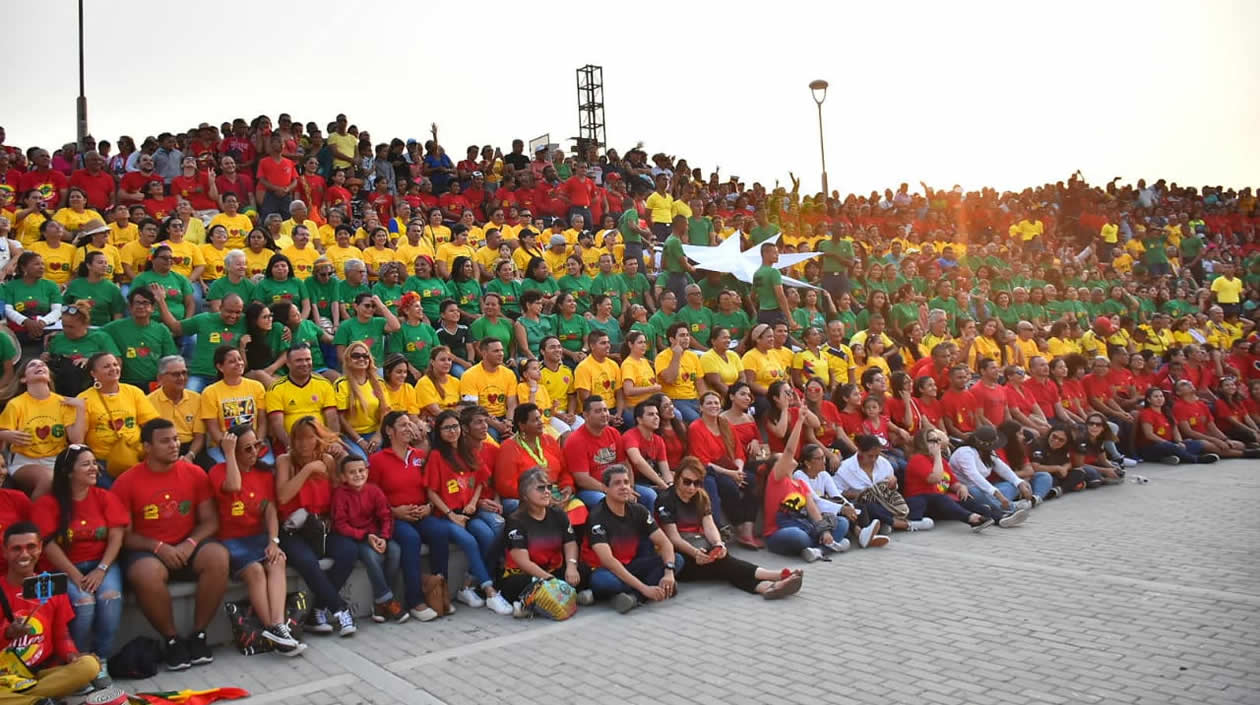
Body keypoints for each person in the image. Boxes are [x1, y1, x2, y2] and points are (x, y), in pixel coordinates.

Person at [112, 418, 229, 671]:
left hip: (188, 546)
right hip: (148, 551)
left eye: (175, 439)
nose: (174, 445)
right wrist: (158, 547)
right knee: (146, 574)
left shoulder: (195, 472)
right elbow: (124, 535)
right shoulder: (127, 481)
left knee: (218, 557)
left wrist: (190, 542)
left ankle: (199, 635)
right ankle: (172, 640)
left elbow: (210, 522)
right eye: (165, 441)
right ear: (147, 447)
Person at [32, 445, 125, 689]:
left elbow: (116, 535)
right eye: (86, 464)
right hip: (60, 568)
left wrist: (101, 569)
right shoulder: (48, 503)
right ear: (68, 472)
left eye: (95, 463)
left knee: (109, 596)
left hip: (100, 564)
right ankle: (80, 664)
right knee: (83, 603)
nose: (94, 468)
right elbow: (48, 545)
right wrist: (74, 575)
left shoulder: (105, 496)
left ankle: (100, 660)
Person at [209, 427, 306, 654]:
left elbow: (270, 510)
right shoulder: (218, 471)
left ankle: (278, 626)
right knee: (255, 571)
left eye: (258, 445)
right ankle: (273, 628)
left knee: (277, 560)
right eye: (248, 448)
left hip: (257, 537)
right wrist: (229, 453)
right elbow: (233, 486)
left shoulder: (264, 473)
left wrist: (274, 541)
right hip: (231, 539)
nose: (255, 452)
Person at [657, 457, 804, 599]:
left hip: (701, 549)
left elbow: (710, 526)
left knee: (726, 567)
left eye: (697, 483)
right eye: (687, 482)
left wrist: (718, 544)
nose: (691, 487)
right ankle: (776, 575)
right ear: (677, 478)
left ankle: (766, 587)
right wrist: (695, 553)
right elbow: (673, 538)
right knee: (725, 565)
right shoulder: (666, 499)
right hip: (679, 557)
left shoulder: (700, 496)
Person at [422, 410, 513, 615]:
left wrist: (473, 502)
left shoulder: (468, 451)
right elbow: (431, 491)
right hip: (446, 515)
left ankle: (468, 585)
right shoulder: (436, 456)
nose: (452, 431)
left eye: (454, 426)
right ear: (439, 431)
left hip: (468, 512)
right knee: (469, 541)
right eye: (446, 428)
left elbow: (480, 480)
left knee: (490, 536)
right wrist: (450, 515)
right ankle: (490, 592)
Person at [275, 416, 359, 635]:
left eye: (309, 438)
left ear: (317, 439)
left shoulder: (328, 460)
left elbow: (337, 493)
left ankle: (317, 610)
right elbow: (283, 497)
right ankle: (341, 610)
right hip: (293, 529)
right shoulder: (285, 461)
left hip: (320, 525)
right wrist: (309, 469)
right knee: (307, 561)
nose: (303, 444)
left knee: (348, 551)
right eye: (299, 438)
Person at [0, 521, 101, 701]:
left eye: (31, 547)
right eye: (16, 549)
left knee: (89, 665)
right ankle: (38, 700)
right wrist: (8, 634)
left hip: (41, 674)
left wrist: (71, 655)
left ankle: (26, 700)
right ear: (5, 552)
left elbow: (61, 634)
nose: (24, 554)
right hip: (4, 676)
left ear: (40, 548)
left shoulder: (51, 587)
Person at [367, 411, 440, 622]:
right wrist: (393, 511)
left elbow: (431, 488)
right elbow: (371, 496)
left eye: (410, 425)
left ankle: (438, 591)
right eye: (403, 425)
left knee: (440, 531)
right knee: (410, 539)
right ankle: (415, 600)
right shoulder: (378, 460)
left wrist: (428, 506)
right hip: (394, 517)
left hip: (422, 513)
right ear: (389, 431)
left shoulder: (420, 455)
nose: (409, 429)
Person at [582, 464, 682, 613]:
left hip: (631, 565)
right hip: (604, 570)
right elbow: (608, 561)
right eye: (617, 483)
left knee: (677, 560)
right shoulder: (597, 516)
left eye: (626, 482)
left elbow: (665, 543)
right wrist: (644, 588)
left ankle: (633, 598)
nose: (623, 487)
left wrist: (668, 574)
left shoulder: (639, 510)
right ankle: (643, 592)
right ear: (605, 488)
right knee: (605, 582)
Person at [497, 467, 593, 615]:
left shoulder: (558, 514)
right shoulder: (515, 521)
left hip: (553, 571)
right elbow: (523, 562)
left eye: (549, 487)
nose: (547, 491)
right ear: (525, 494)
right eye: (540, 488)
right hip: (525, 575)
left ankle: (541, 603)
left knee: (583, 570)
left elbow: (570, 542)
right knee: (522, 585)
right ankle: (561, 599)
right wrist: (550, 580)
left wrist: (571, 566)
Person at [756, 407, 844, 561]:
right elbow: (790, 450)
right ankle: (825, 547)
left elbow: (813, 510)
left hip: (805, 525)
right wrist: (800, 421)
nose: (786, 457)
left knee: (842, 523)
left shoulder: (801, 483)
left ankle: (817, 549)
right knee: (798, 536)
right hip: (779, 532)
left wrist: (824, 531)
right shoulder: (776, 480)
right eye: (781, 458)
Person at [331, 454, 407, 624]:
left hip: (377, 535)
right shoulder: (340, 495)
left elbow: (386, 516)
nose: (358, 475)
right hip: (357, 538)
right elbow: (341, 525)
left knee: (395, 550)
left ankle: (380, 602)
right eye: (352, 472)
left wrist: (385, 537)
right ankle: (388, 600)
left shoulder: (374, 490)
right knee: (371, 556)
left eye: (361, 470)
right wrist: (365, 536)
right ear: (343, 476)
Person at [0, 359, 88, 498]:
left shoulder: (62, 403)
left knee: (83, 478)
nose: (39, 365)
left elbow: (77, 440)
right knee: (48, 479)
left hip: (58, 461)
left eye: (43, 364)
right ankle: (33, 518)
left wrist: (81, 409)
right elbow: (2, 439)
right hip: (25, 462)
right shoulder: (15, 404)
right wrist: (5, 435)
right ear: (23, 378)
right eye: (32, 365)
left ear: (49, 376)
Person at [902, 429, 1009, 531]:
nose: (937, 443)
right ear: (922, 443)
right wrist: (938, 455)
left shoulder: (940, 461)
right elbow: (935, 478)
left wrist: (961, 487)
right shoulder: (918, 459)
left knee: (965, 498)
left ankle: (999, 517)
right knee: (941, 498)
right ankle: (972, 519)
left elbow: (953, 482)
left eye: (938, 440)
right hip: (921, 503)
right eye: (933, 440)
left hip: (939, 502)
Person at [76, 352, 160, 483]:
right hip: (102, 463)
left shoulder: (134, 392)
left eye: (115, 364)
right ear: (93, 374)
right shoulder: (83, 399)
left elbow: (151, 425)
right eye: (106, 366)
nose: (113, 368)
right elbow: (78, 440)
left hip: (135, 457)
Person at [947, 426, 1033, 526]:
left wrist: (1019, 483)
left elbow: (1003, 469)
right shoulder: (965, 452)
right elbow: (974, 476)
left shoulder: (988, 453)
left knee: (1013, 484)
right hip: (964, 490)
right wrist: (997, 494)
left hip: (986, 489)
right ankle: (1009, 509)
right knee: (976, 491)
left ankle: (1004, 504)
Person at [200, 346, 268, 465]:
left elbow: (262, 421)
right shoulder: (210, 392)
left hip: (253, 445)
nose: (238, 363)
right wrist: (229, 449)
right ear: (220, 367)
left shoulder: (257, 387)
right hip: (224, 446)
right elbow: (213, 429)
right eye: (232, 361)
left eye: (239, 359)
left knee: (269, 464)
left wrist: (258, 443)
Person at [1136, 387, 1219, 464]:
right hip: (1152, 447)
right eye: (1156, 397)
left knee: (1195, 444)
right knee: (1169, 447)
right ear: (1149, 400)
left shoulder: (1167, 412)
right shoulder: (1146, 413)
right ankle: (1196, 459)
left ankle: (1168, 457)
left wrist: (1179, 442)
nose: (1159, 399)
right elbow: (1149, 435)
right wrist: (1168, 443)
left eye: (1161, 396)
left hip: (1170, 444)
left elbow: (1175, 430)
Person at [335, 341, 388, 459]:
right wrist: (359, 440)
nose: (361, 359)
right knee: (361, 461)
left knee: (379, 461)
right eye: (356, 356)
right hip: (351, 435)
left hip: (375, 433)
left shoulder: (379, 383)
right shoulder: (341, 384)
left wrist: (378, 436)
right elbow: (341, 417)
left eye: (365, 356)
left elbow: (385, 411)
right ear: (348, 359)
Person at [655, 322, 706, 423]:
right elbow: (670, 379)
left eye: (687, 335)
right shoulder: (662, 357)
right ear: (672, 339)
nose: (686, 338)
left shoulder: (693, 356)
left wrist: (705, 401)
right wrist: (676, 355)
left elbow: (700, 383)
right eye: (682, 335)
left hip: (694, 399)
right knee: (697, 421)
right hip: (675, 400)